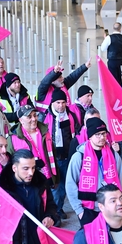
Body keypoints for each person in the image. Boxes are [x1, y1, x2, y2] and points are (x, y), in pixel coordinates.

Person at [66, 118, 122, 226]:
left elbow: (119, 180)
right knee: (90, 241)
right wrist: (79, 211)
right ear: (90, 136)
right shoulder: (79, 156)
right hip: (87, 209)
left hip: (110, 207)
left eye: (104, 133)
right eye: (98, 134)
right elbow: (70, 184)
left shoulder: (114, 155)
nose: (102, 137)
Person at [42, 90, 79, 219]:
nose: (61, 105)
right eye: (58, 102)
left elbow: (77, 133)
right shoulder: (46, 116)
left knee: (63, 185)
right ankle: (55, 210)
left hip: (67, 156)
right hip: (52, 157)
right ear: (53, 102)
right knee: (55, 186)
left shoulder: (71, 116)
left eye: (63, 102)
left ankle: (58, 208)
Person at [7, 104, 57, 187]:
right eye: (29, 117)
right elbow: (10, 164)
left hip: (48, 177)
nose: (34, 119)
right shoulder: (12, 139)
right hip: (28, 182)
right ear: (21, 120)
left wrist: (56, 178)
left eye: (35, 115)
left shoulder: (45, 131)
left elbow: (53, 155)